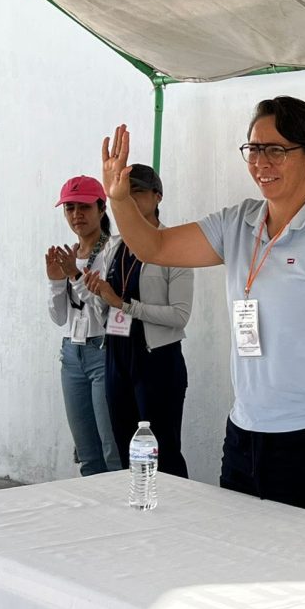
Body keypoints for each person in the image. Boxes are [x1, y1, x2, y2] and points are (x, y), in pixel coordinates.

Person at [100, 96, 305, 521]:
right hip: (245, 434)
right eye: (254, 149)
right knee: (238, 552)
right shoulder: (238, 223)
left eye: (277, 150)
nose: (261, 162)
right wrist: (119, 199)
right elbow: (154, 246)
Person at [81, 164, 193, 477]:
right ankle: (136, 506)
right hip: (116, 354)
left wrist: (125, 305)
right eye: (125, 194)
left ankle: (173, 508)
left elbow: (180, 315)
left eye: (139, 192)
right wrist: (97, 293)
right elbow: (103, 308)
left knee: (163, 453)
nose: (130, 200)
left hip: (156, 358)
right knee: (126, 450)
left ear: (158, 196)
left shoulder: (175, 245)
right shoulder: (113, 246)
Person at [46, 176, 120, 476]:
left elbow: (110, 311)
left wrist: (75, 277)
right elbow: (59, 317)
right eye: (70, 208)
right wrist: (55, 281)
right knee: (87, 452)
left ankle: (120, 503)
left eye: (84, 207)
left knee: (112, 448)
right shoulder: (70, 254)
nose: (76, 215)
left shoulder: (114, 250)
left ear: (101, 209)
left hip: (104, 348)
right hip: (72, 353)